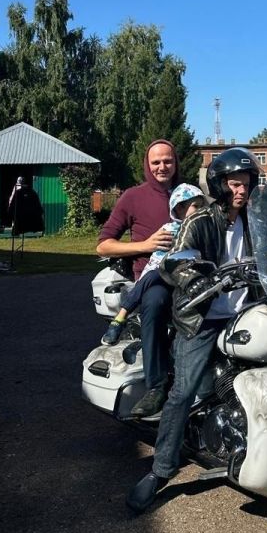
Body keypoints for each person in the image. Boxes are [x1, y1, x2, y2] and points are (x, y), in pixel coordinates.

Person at [126, 147, 267, 513]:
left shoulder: (254, 222)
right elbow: (175, 262)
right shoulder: (201, 221)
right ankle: (159, 471)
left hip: (247, 311)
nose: (241, 191)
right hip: (202, 317)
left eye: (246, 184)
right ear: (220, 185)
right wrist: (198, 277)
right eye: (234, 184)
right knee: (181, 394)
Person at [96, 140, 182, 417]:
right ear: (147, 164)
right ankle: (156, 386)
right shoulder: (133, 196)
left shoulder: (187, 194)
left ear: (175, 162)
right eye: (156, 162)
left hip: (188, 272)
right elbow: (104, 245)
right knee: (155, 304)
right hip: (152, 276)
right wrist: (145, 245)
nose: (162, 167)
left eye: (167, 161)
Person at [101, 183, 207, 346]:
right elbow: (162, 257)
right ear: (179, 209)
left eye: (202, 206)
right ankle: (120, 317)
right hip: (162, 271)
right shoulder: (170, 230)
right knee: (152, 278)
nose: (200, 210)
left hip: (186, 276)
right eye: (195, 206)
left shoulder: (203, 228)